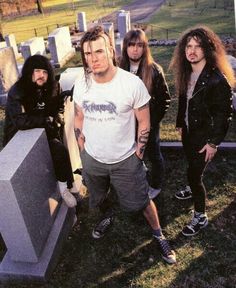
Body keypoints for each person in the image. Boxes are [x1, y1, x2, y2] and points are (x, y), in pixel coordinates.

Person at [73, 25, 176, 264]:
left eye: (98, 51)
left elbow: (144, 121)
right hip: (93, 159)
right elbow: (78, 115)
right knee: (98, 196)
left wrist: (138, 153)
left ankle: (158, 234)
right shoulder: (82, 83)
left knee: (141, 200)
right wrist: (81, 146)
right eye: (88, 54)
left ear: (110, 49)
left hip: (126, 160)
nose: (93, 59)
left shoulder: (131, 84)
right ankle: (107, 216)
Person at [170, 26, 234, 236]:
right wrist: (181, 122)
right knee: (191, 166)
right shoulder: (186, 72)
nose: (192, 50)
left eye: (198, 46)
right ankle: (191, 188)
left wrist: (213, 143)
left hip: (205, 138)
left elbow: (223, 116)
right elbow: (183, 99)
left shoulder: (217, 80)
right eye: (189, 45)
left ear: (207, 49)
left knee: (194, 174)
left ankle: (200, 216)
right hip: (189, 131)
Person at [3, 54, 79, 208]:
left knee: (60, 151)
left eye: (45, 72)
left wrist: (58, 109)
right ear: (30, 72)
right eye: (37, 71)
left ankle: (64, 188)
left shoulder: (52, 86)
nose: (41, 76)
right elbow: (20, 120)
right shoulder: (17, 91)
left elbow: (54, 105)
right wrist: (45, 121)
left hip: (43, 131)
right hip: (19, 137)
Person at [119, 29, 171, 200]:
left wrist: (152, 122)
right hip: (128, 124)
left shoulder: (154, 70)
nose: (135, 49)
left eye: (139, 45)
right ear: (125, 47)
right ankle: (138, 179)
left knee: (154, 154)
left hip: (149, 124)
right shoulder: (119, 69)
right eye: (131, 45)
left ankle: (156, 185)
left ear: (145, 47)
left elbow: (165, 100)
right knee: (132, 154)